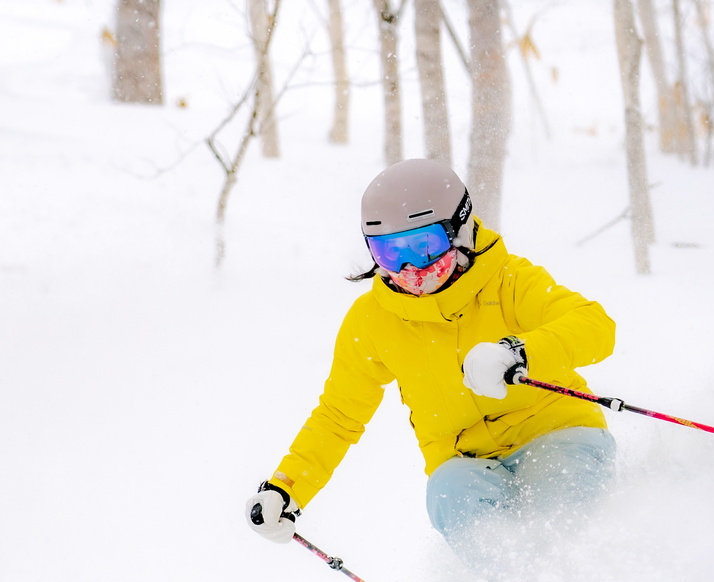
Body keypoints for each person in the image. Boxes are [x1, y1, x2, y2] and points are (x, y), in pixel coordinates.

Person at [245, 158, 617, 555]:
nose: (408, 269)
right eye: (389, 253)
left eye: (423, 247)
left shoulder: (509, 281)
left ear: (460, 231)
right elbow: (339, 416)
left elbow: (595, 326)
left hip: (557, 435)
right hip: (466, 464)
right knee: (453, 494)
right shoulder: (372, 321)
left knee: (556, 512)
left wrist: (520, 353)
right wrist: (287, 487)